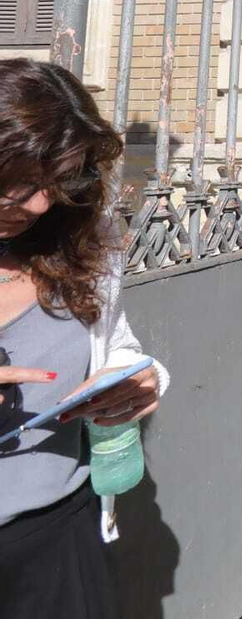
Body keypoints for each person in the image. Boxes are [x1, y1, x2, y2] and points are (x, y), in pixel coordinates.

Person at [0, 58, 170, 619]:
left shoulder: (80, 242)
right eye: (22, 183)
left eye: (57, 182)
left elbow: (113, 342)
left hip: (58, 541)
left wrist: (138, 380)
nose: (40, 205)